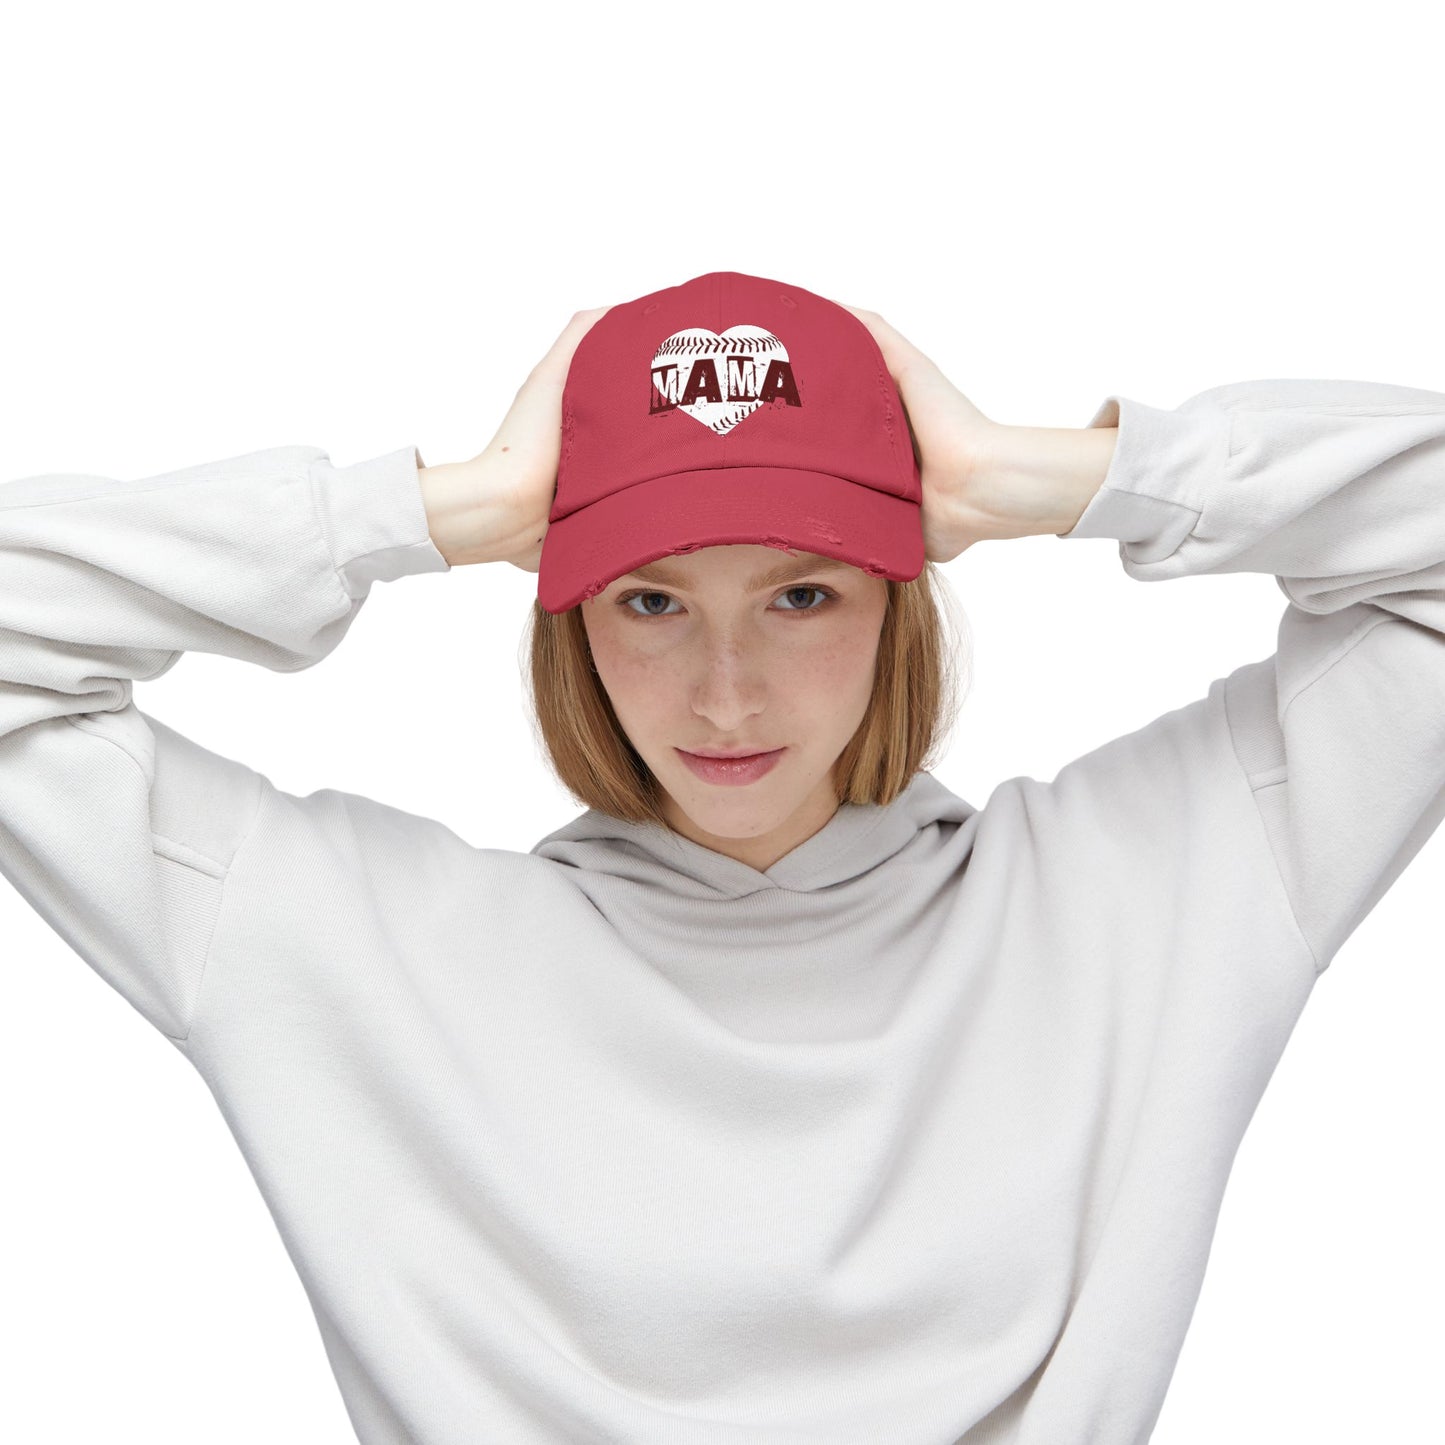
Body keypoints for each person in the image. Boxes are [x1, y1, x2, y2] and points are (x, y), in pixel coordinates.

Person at [1, 268, 1440, 1444]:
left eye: (801, 593)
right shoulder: (352, 941)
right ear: (565, 617)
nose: (726, 692)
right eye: (649, 602)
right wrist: (432, 511)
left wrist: (1050, 473)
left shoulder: (1144, 887)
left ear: (902, 597)